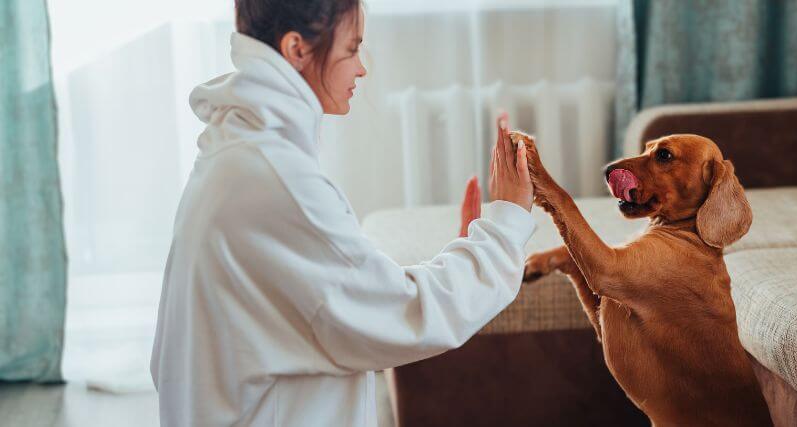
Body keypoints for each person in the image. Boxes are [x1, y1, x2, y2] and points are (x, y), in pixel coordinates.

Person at [149, 1, 536, 425]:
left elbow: (346, 292)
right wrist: (506, 224)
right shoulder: (276, 180)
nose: (361, 68)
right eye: (352, 49)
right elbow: (405, 313)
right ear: (297, 48)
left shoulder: (239, 150)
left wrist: (469, 249)